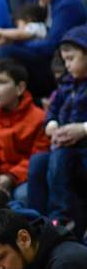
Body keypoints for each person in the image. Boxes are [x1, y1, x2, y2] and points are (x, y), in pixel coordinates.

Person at [0, 0, 87, 98]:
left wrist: (16, 41)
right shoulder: (31, 0)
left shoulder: (68, 4)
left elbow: (52, 46)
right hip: (38, 61)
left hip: (61, 69)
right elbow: (18, 32)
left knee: (7, 52)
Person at [26, 25, 87, 231]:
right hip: (66, 146)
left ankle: (61, 216)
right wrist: (52, 126)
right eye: (65, 60)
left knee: (60, 157)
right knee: (37, 162)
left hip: (82, 147)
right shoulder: (66, 85)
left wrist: (83, 129)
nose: (67, 65)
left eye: (71, 59)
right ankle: (35, 220)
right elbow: (52, 111)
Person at [0, 59, 48, 197]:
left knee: (22, 195)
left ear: (20, 88)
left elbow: (38, 158)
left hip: (25, 177)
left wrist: (11, 177)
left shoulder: (40, 118)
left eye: (2, 82)